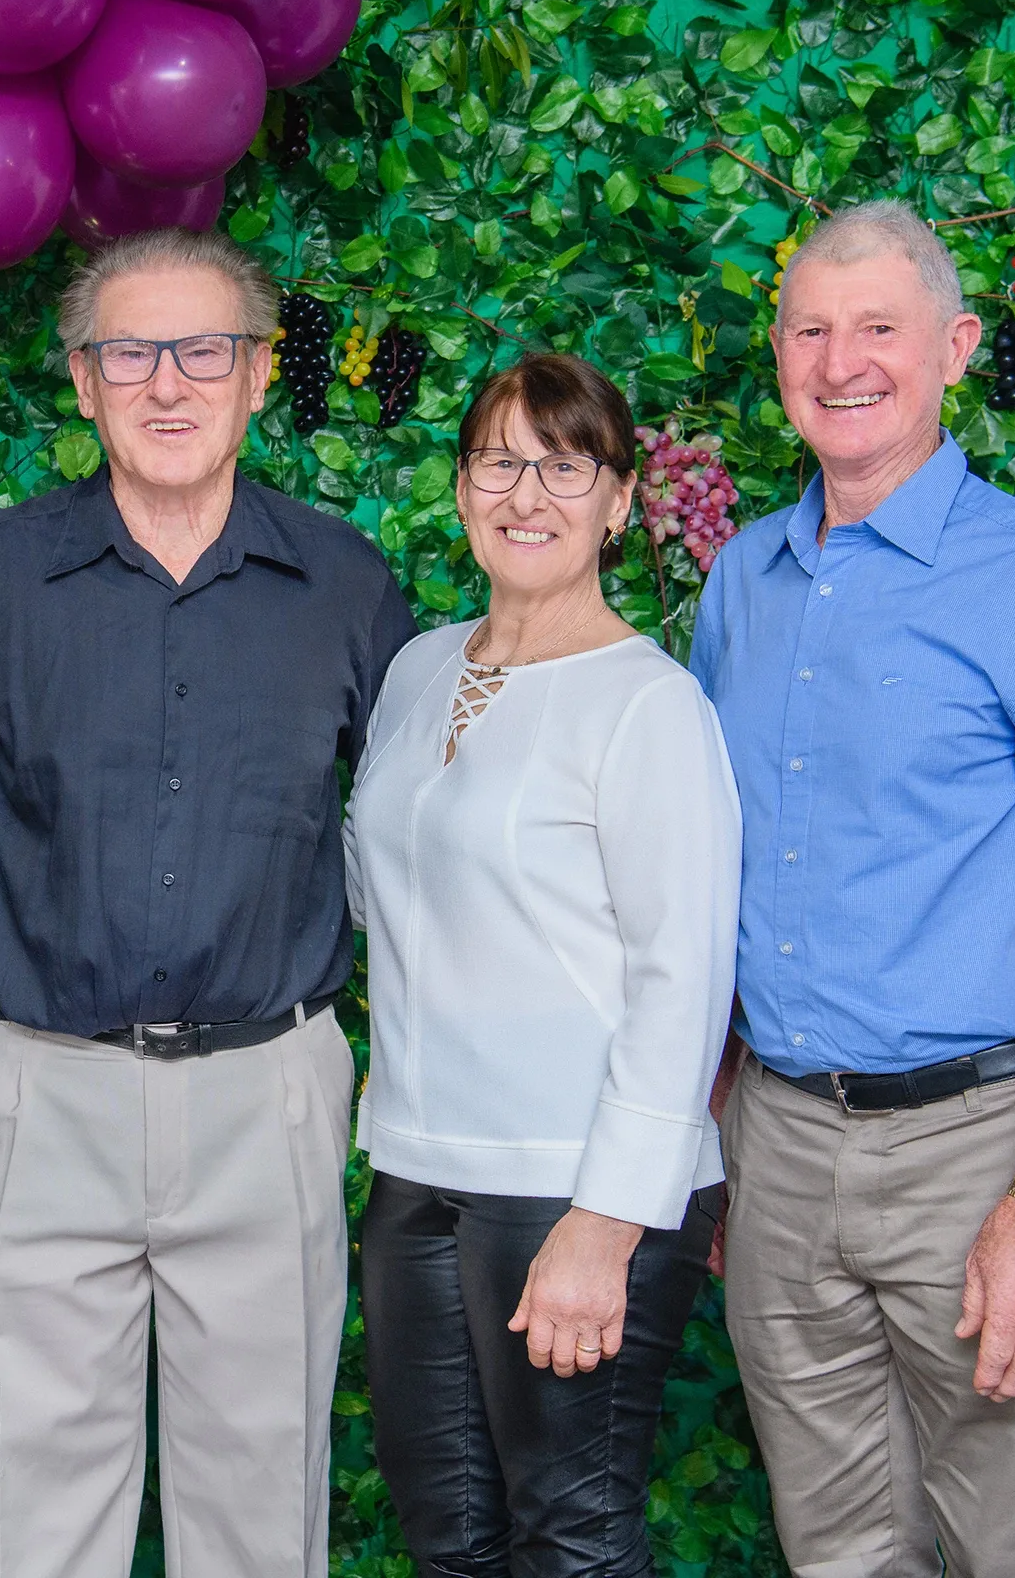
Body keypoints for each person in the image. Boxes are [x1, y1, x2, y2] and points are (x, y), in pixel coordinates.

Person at [0, 227, 417, 1578]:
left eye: (203, 351)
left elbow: (421, 835)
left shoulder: (344, 585)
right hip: (46, 1094)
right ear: (82, 379)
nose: (168, 384)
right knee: (33, 1521)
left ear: (259, 373)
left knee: (258, 1517)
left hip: (268, 1095)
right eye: (129, 354)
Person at [689, 199, 1015, 1576]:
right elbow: (717, 872)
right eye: (809, 330)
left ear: (956, 347)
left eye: (878, 328)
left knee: (1008, 1556)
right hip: (780, 1143)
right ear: (778, 355)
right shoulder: (740, 583)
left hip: (982, 1149)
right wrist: (721, 1135)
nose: (839, 361)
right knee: (836, 1553)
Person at [347, 353, 741, 1578]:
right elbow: (386, 894)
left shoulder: (648, 704)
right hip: (417, 1164)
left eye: (565, 466)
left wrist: (606, 1220)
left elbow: (684, 979)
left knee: (572, 1537)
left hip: (572, 1184)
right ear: (462, 486)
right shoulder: (418, 668)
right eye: (498, 461)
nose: (526, 494)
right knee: (448, 1542)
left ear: (618, 501)